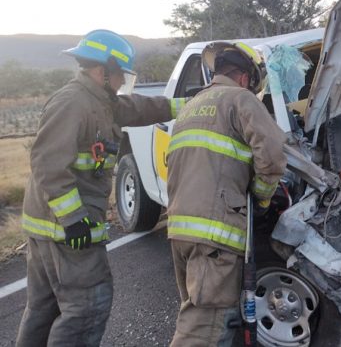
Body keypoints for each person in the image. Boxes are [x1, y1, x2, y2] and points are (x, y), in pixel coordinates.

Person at [16, 29, 187, 347]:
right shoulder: (73, 103)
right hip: (66, 233)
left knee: (43, 309)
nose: (123, 82)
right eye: (120, 75)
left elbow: (139, 108)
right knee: (86, 310)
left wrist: (189, 104)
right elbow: (47, 164)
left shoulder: (100, 101)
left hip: (49, 230)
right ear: (103, 70)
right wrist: (73, 218)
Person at [166, 41, 287, 346]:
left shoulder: (191, 107)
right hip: (214, 236)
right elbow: (272, 155)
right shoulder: (240, 99)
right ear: (246, 78)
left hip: (180, 232)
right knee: (202, 331)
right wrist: (262, 197)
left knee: (209, 315)